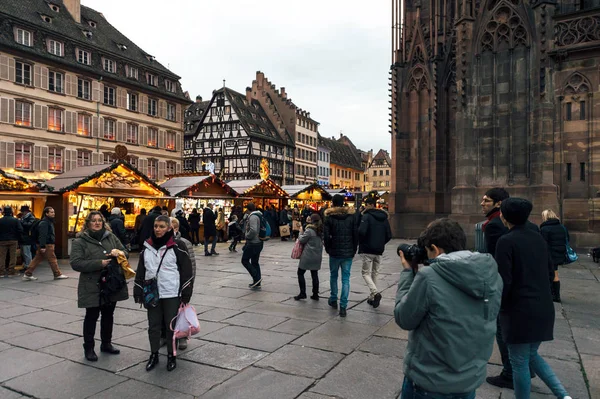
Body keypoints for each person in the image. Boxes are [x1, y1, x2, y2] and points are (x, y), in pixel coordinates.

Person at [395, 218, 503, 399]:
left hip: (430, 381)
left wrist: (408, 273)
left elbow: (404, 318)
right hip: (469, 380)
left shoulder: (429, 277)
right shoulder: (490, 274)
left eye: (428, 251)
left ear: (435, 249)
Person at [495, 198, 572, 399]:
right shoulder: (538, 237)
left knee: (519, 361)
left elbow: (505, 280)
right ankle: (563, 395)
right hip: (543, 307)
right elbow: (549, 272)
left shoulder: (506, 241)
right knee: (530, 356)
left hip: (519, 311)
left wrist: (498, 307)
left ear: (504, 216)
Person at [133, 215, 194, 372]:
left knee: (170, 326)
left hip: (171, 292)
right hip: (151, 292)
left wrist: (186, 292)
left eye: (161, 226)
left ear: (169, 228)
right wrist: (138, 289)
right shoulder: (147, 246)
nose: (158, 229)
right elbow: (141, 270)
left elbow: (187, 271)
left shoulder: (178, 246)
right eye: (155, 226)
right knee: (153, 326)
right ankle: (153, 354)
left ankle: (171, 356)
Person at [70, 211, 128, 362]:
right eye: (93, 221)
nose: (97, 223)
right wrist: (99, 263)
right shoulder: (80, 241)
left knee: (108, 315)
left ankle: (106, 343)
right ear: (88, 223)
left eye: (99, 220)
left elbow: (126, 253)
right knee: (91, 316)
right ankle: (89, 347)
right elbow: (76, 263)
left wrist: (119, 253)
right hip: (91, 284)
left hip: (110, 283)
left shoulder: (110, 236)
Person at [324, 194, 358, 317]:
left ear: (332, 203)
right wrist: (354, 249)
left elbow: (326, 237)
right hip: (348, 252)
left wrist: (328, 249)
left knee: (333, 276)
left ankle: (333, 299)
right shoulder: (351, 217)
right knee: (346, 279)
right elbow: (355, 235)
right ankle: (343, 306)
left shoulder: (329, 218)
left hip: (334, 252)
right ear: (343, 203)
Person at [358, 196, 392, 308]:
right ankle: (372, 297)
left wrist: (363, 243)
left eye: (366, 204)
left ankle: (375, 293)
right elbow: (389, 235)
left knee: (365, 273)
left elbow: (361, 232)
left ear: (369, 205)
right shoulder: (384, 218)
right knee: (375, 273)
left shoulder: (366, 216)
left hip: (368, 249)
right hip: (379, 250)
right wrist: (380, 243)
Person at [170, 217, 197, 351]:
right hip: (167, 283)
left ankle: (182, 336)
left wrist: (189, 284)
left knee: (181, 311)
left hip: (181, 282)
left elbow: (191, 265)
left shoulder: (185, 243)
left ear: (176, 229)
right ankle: (166, 335)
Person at [22, 207, 68, 281]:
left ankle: (28, 273)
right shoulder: (45, 223)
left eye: (53, 212)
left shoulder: (48, 222)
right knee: (52, 259)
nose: (53, 214)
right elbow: (42, 235)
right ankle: (57, 274)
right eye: (51, 212)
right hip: (47, 244)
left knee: (37, 259)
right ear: (46, 213)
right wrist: (42, 246)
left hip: (45, 244)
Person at [540, 209, 568, 303]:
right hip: (560, 253)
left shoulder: (545, 229)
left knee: (550, 274)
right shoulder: (562, 227)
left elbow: (543, 243)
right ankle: (556, 295)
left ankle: (552, 295)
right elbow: (567, 238)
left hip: (550, 254)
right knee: (555, 273)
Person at [294, 213, 323, 301]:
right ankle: (315, 294)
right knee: (314, 274)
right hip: (317, 256)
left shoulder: (309, 230)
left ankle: (303, 293)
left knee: (300, 273)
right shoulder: (321, 230)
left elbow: (302, 240)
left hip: (308, 255)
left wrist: (300, 233)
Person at [481, 187, 510, 257]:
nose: (482, 203)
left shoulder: (494, 225)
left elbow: (495, 255)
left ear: (499, 204)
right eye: (483, 200)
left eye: (486, 201)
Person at [242, 203, 264, 289]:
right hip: (259, 242)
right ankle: (257, 282)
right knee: (255, 261)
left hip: (253, 242)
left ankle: (256, 277)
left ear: (248, 209)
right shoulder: (259, 215)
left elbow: (253, 230)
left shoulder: (253, 217)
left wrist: (247, 235)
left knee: (244, 260)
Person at [0, 206, 23, 277]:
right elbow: (20, 230)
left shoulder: (0, 220)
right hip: (13, 240)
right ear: (11, 212)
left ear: (3, 212)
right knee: (13, 256)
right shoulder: (15, 220)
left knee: (2, 256)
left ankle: (1, 272)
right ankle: (11, 271)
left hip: (2, 240)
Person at [19, 205, 36, 273]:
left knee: (27, 253)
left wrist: (21, 222)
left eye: (22, 212)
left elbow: (29, 225)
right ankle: (26, 265)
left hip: (27, 238)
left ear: (25, 211)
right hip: (24, 237)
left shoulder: (30, 217)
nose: (22, 213)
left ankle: (29, 266)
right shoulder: (24, 217)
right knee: (24, 252)